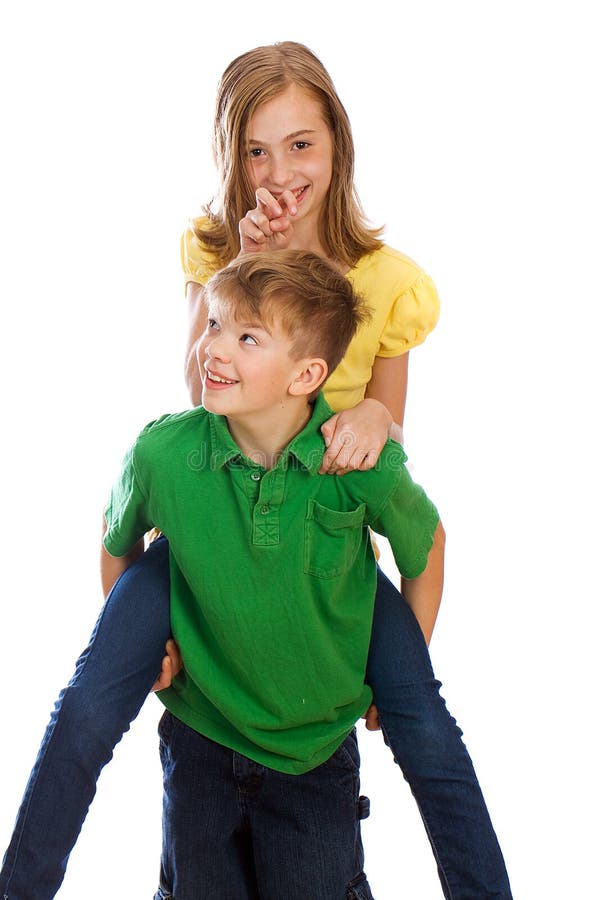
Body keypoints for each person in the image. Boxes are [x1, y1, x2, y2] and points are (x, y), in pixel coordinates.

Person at [0, 41, 511, 899]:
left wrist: (374, 415)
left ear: (337, 146)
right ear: (232, 158)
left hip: (321, 522)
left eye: (301, 144)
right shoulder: (214, 253)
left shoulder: (385, 283)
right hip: (209, 516)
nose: (281, 169)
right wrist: (236, 263)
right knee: (88, 702)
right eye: (257, 150)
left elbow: (391, 430)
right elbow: (197, 385)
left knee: (424, 724)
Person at [105, 250, 441, 898]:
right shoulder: (165, 453)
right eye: (213, 326)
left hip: (312, 755)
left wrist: (404, 669)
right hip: (199, 739)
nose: (214, 349)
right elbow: (115, 541)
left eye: (245, 336)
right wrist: (149, 650)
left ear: (307, 374)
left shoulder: (356, 463)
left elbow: (426, 551)